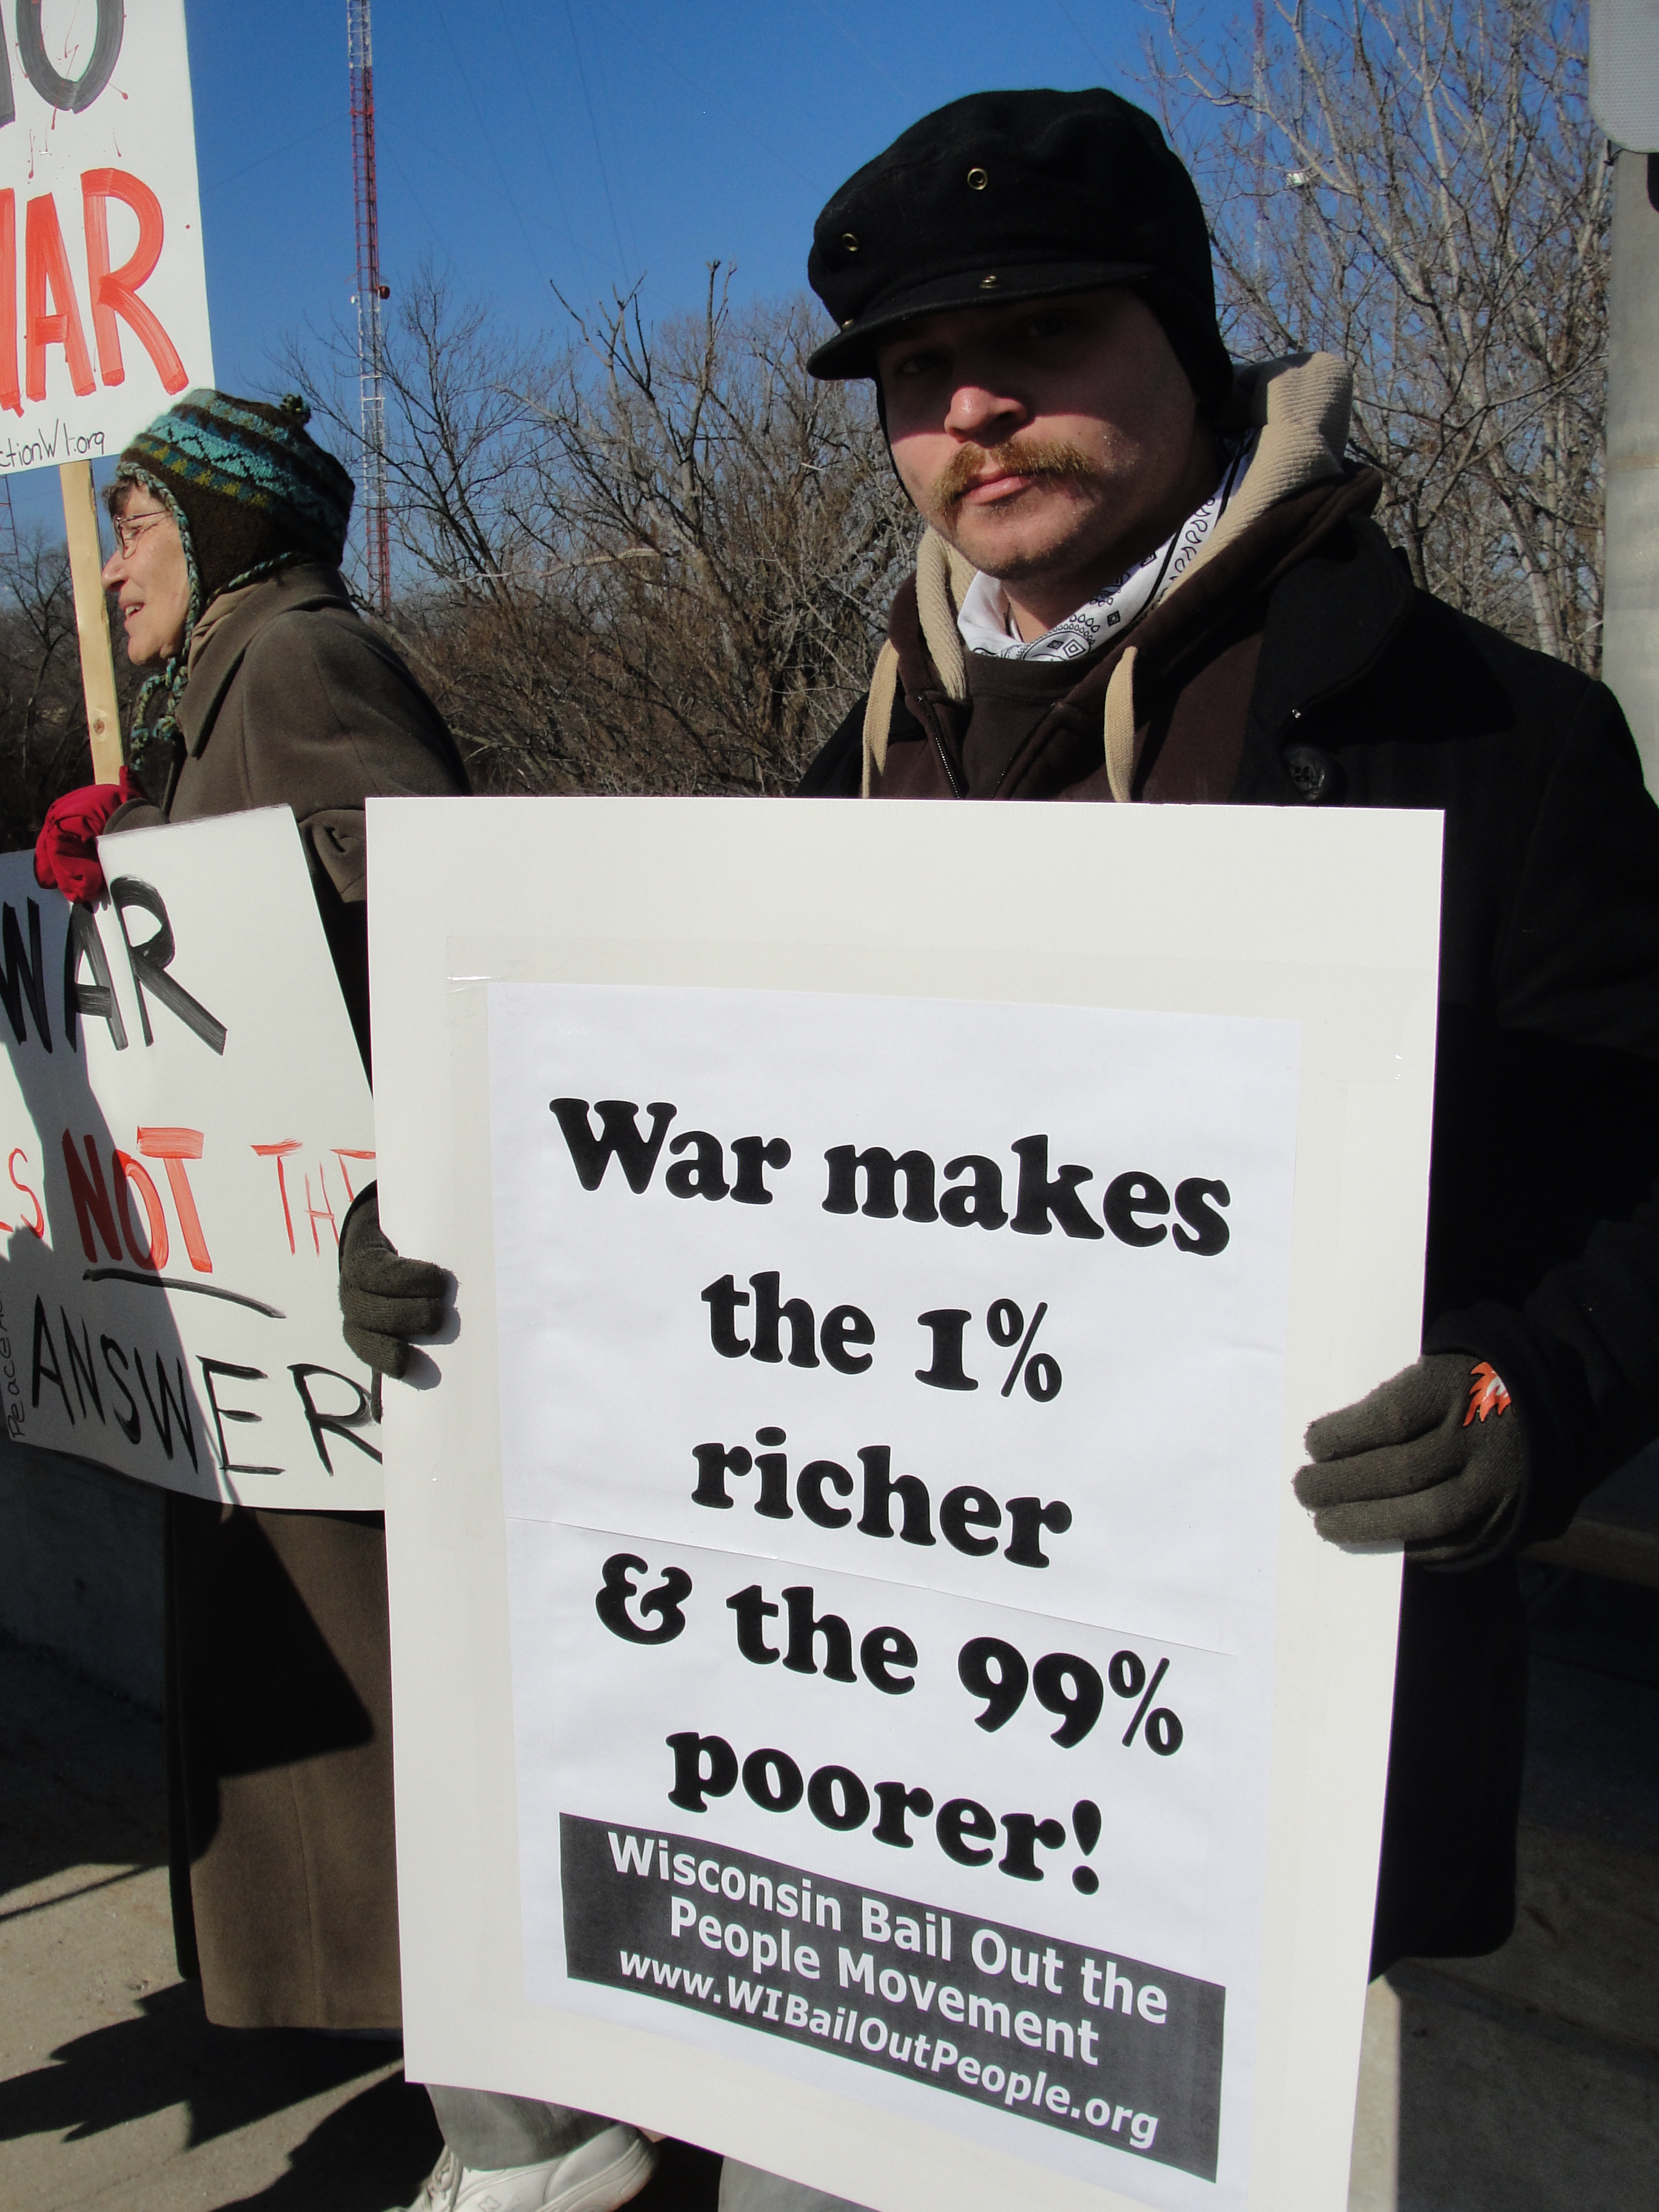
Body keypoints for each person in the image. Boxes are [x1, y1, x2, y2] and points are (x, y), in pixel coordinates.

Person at [344, 87, 1659, 2212]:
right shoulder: (858, 762)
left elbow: (1641, 1180)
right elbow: (697, 1180)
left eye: (1040, 334)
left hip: (1242, 1803)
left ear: (1187, 344)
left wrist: (1532, 1393)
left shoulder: (1493, 739)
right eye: (914, 369)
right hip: (869, 1788)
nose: (972, 407)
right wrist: (447, 1230)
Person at [32, 393, 655, 2212]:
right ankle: (501, 2117)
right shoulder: (220, 684)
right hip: (280, 1316)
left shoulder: (300, 659)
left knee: (405, 1711)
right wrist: (141, 859)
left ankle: (542, 2134)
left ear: (225, 527)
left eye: (138, 522)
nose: (112, 568)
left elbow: (436, 925)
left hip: (360, 1304)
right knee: (359, 1709)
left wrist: (414, 1177)